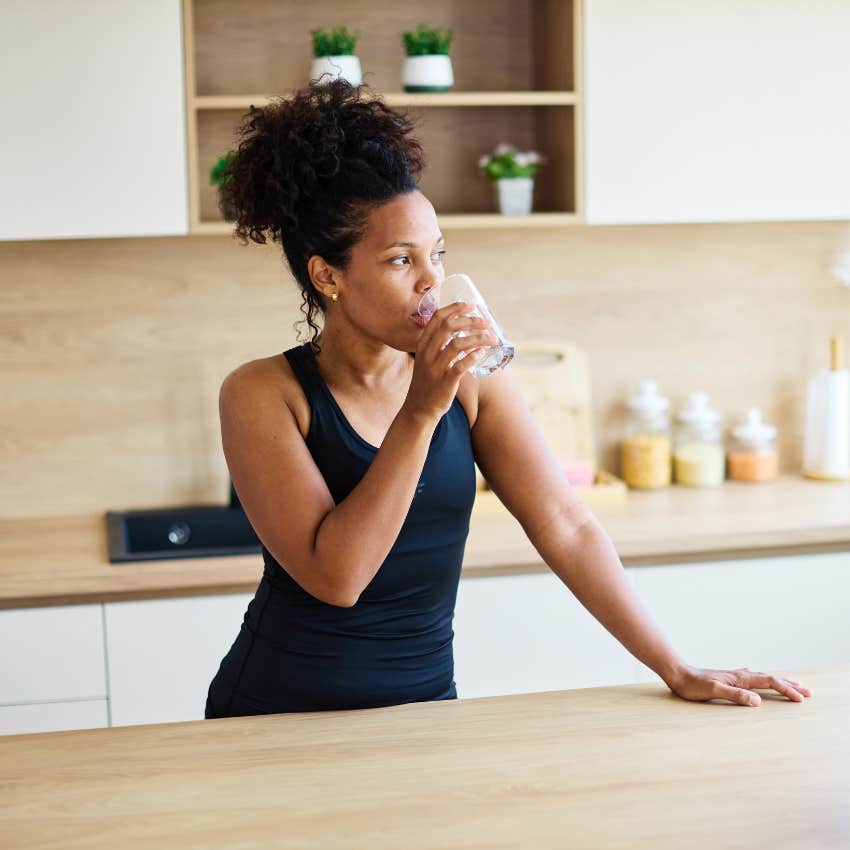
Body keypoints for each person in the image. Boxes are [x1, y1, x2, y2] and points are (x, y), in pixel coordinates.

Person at [204, 80, 811, 718]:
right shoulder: (263, 394)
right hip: (276, 714)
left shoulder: (470, 375)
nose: (432, 280)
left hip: (428, 709)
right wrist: (423, 409)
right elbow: (338, 579)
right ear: (328, 275)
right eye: (400, 260)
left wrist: (674, 665)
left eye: (437, 254)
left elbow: (564, 522)